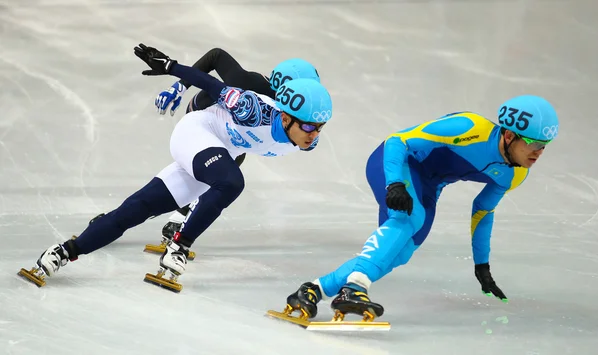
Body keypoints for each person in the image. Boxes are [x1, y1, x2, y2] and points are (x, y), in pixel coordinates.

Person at [18, 44, 333, 293]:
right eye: (308, 126)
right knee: (232, 182)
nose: (313, 134)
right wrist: (171, 69)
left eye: (319, 128)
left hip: (215, 150)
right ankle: (179, 247)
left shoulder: (307, 137)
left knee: (134, 210)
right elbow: (210, 80)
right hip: (196, 133)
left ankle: (62, 252)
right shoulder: (254, 109)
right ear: (288, 116)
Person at [282, 95, 559, 321]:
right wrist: (395, 185)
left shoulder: (516, 173)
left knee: (400, 252)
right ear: (510, 135)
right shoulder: (469, 127)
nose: (539, 152)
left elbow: (483, 210)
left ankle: (314, 289)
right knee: (411, 218)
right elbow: (397, 141)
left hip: (428, 185)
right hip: (394, 162)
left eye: (545, 146)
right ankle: (354, 288)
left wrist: (482, 264)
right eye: (534, 143)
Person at [146, 48, 322, 257]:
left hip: (234, 132)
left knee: (228, 165)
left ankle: (173, 214)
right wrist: (179, 86)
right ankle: (173, 216)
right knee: (218, 173)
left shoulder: (287, 109)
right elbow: (216, 56)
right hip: (205, 120)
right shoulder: (250, 83)